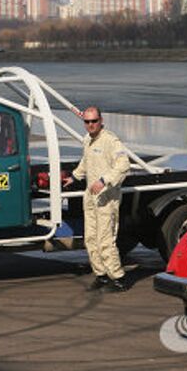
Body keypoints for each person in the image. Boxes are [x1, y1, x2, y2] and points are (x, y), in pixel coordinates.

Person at [63, 107, 131, 293]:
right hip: (91, 198)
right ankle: (101, 275)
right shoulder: (88, 140)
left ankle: (118, 278)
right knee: (91, 239)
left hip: (107, 198)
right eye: (87, 122)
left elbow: (124, 165)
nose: (91, 125)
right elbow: (85, 162)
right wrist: (75, 177)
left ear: (101, 120)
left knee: (105, 240)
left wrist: (104, 180)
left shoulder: (110, 140)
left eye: (94, 121)